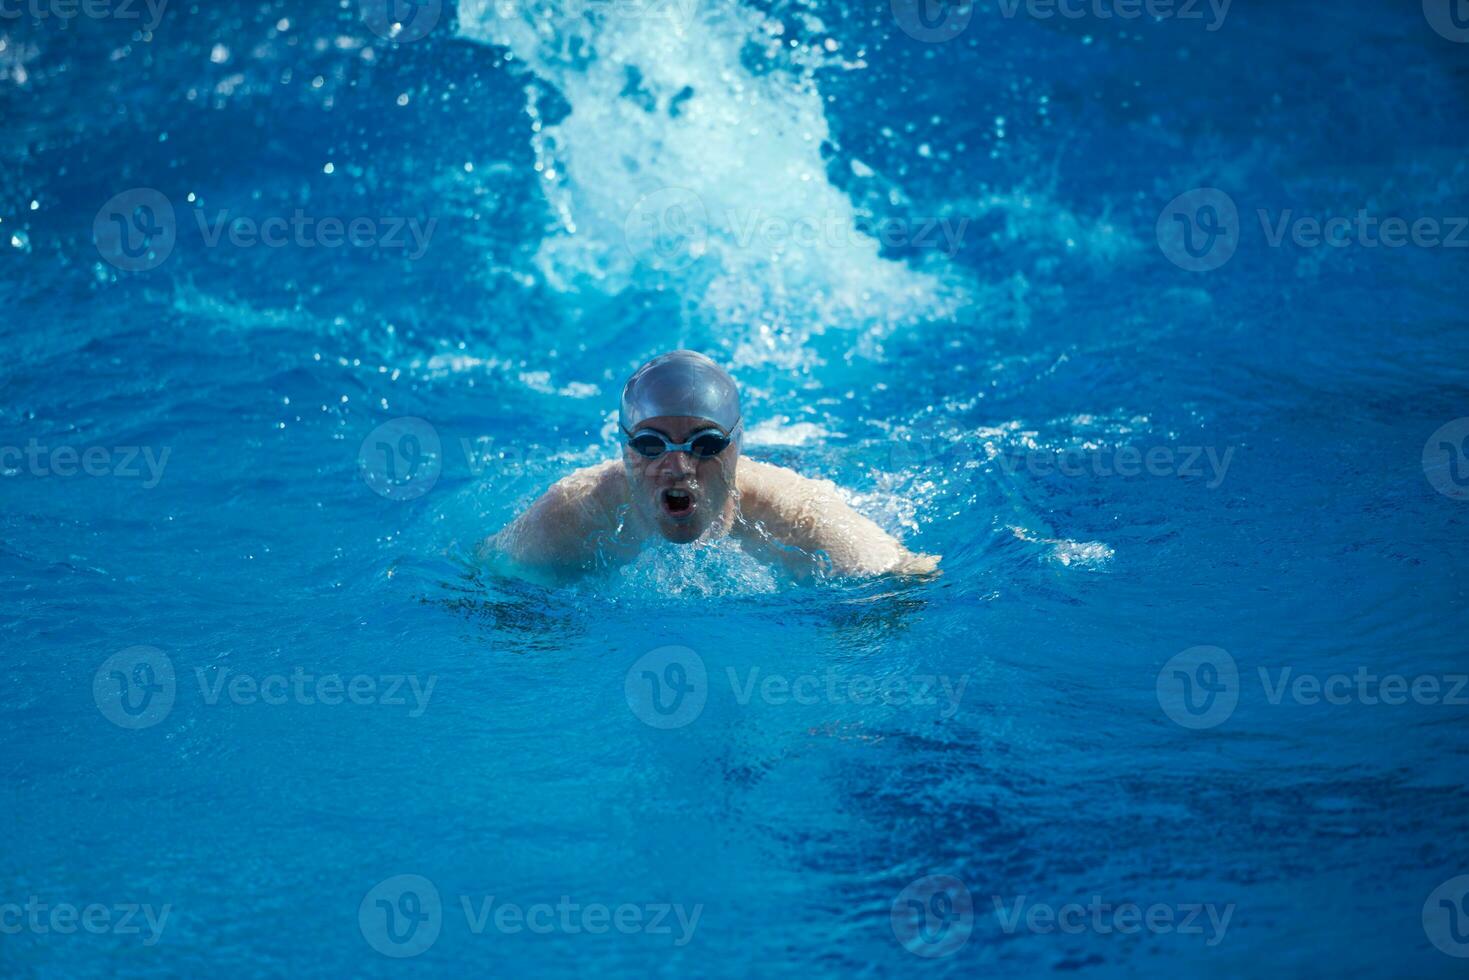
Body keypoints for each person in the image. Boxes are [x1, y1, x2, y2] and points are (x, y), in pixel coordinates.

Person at [485, 350, 940, 582]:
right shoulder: (569, 516)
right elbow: (482, 579)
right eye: (649, 444)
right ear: (624, 449)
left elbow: (908, 578)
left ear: (736, 448)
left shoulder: (801, 519)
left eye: (705, 444)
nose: (678, 467)